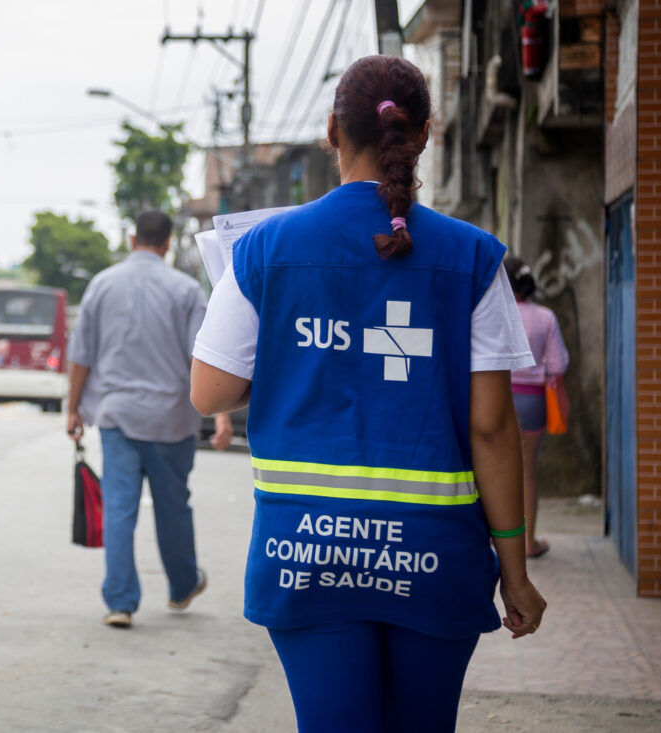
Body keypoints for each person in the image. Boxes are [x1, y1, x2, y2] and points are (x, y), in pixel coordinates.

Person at [190, 56, 546, 733]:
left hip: (305, 551)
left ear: (331, 131)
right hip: (435, 552)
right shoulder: (473, 257)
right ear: (425, 136)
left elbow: (209, 392)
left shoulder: (263, 250)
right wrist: (515, 570)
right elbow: (494, 430)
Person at [66, 210, 233, 628]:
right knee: (173, 505)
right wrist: (224, 416)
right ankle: (181, 588)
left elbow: (81, 356)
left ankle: (120, 602)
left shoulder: (101, 286)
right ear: (168, 244)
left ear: (131, 238)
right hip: (172, 421)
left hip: (116, 416)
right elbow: (205, 358)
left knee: (119, 508)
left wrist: (72, 408)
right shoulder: (186, 290)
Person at [503, 258, 569, 559]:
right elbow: (557, 365)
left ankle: (493, 541)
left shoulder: (495, 313)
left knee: (493, 468)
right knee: (527, 473)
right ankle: (529, 542)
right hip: (533, 402)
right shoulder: (546, 317)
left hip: (497, 398)